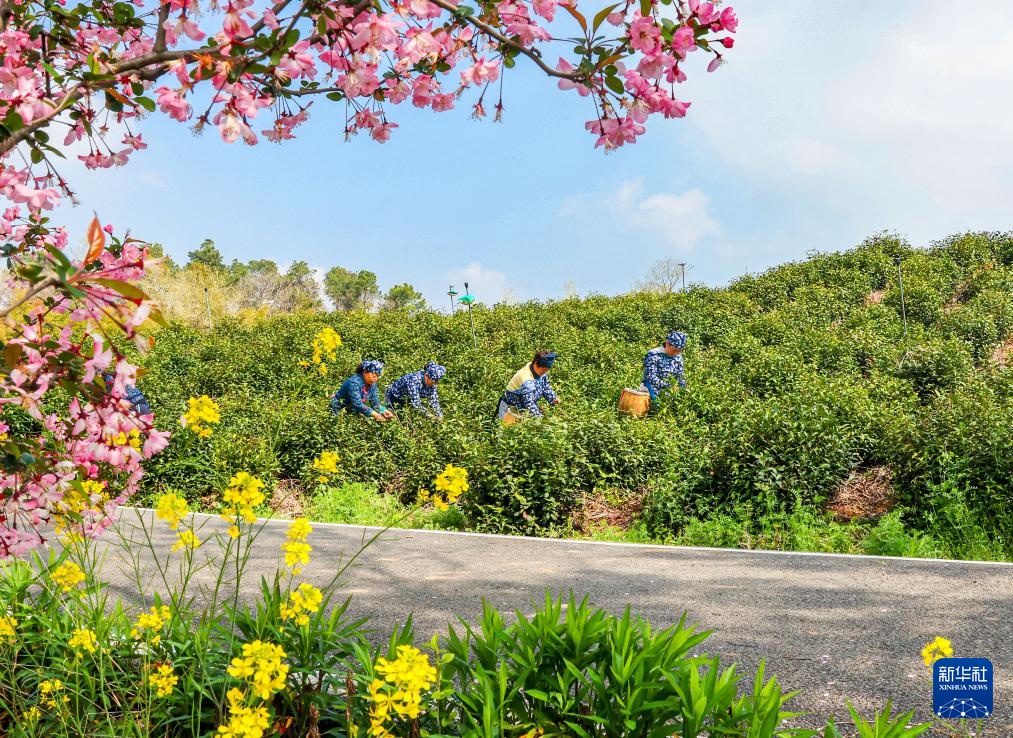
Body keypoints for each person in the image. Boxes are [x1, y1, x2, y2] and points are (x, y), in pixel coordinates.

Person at [497, 350, 560, 420]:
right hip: (510, 410)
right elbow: (530, 404)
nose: (545, 372)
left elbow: (545, 386)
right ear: (536, 363)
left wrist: (553, 398)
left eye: (547, 370)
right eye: (544, 369)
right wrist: (542, 420)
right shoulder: (526, 379)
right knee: (507, 430)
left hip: (523, 409)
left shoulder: (536, 369)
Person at [641, 331, 687, 402]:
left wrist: (683, 389)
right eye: (674, 350)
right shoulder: (653, 354)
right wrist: (669, 386)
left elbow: (681, 376)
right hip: (650, 388)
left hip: (670, 390)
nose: (676, 353)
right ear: (667, 343)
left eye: (679, 351)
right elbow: (650, 377)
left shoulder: (678, 358)